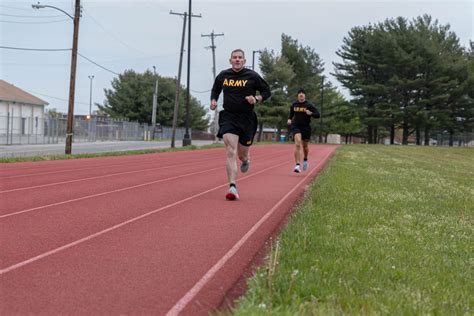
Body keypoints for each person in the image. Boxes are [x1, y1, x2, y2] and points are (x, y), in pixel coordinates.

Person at [210, 49, 271, 200]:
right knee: (230, 151)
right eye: (234, 58)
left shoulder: (252, 76)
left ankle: (246, 159)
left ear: (244, 61)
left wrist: (256, 99)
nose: (237, 60)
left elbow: (267, 91)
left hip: (247, 119)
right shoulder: (224, 75)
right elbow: (215, 89)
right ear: (230, 60)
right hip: (229, 116)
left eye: (240, 58)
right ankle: (232, 187)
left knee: (242, 154)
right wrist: (213, 100)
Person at [287, 88, 320, 173]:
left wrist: (311, 113)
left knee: (305, 146)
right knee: (298, 143)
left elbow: (318, 115)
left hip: (306, 127)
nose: (301, 94)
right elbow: (291, 113)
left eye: (303, 93)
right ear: (298, 95)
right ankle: (297, 165)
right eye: (299, 93)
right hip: (296, 126)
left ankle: (305, 159)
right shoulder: (294, 104)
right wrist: (290, 119)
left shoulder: (309, 105)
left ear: (305, 95)